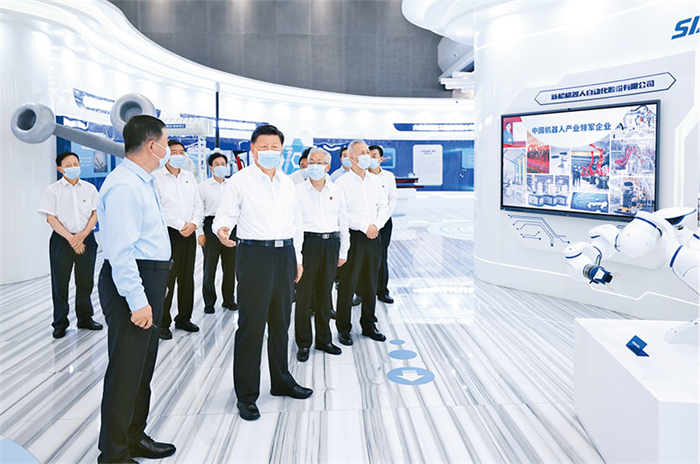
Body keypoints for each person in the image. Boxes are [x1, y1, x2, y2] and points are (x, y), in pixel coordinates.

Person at [213, 124, 312, 422]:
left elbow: (297, 222)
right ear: (253, 149)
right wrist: (222, 229)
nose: (270, 152)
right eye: (264, 146)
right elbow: (226, 213)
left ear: (282, 151)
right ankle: (246, 395)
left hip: (285, 254)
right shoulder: (240, 181)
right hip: (254, 255)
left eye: (275, 147)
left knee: (281, 323)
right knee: (252, 326)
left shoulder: (287, 183)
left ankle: (281, 381)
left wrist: (297, 258)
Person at [96, 115, 176, 463]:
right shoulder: (125, 186)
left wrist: (157, 286)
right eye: (166, 143)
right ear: (152, 145)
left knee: (141, 370)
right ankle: (113, 454)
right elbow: (121, 252)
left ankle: (134, 436)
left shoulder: (142, 181)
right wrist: (138, 300)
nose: (168, 149)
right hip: (130, 282)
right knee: (126, 372)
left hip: (148, 279)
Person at [38, 151, 102, 339]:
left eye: (76, 163)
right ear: (60, 169)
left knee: (85, 281)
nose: (73, 167)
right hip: (62, 240)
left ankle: (85, 318)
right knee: (60, 283)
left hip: (86, 238)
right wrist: (71, 239)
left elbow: (95, 214)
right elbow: (50, 218)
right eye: (68, 165)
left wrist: (81, 236)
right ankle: (60, 323)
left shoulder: (89, 188)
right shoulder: (53, 190)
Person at [294, 147, 349, 361]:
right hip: (307, 244)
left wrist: (343, 251)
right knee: (304, 295)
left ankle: (324, 340)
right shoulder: (297, 191)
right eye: (311, 162)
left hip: (331, 244)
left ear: (328, 167)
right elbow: (294, 226)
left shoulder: (337, 190)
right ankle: (303, 343)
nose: (315, 166)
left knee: (325, 295)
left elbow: (343, 222)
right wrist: (297, 256)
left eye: (320, 162)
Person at [334, 140, 389, 346]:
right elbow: (342, 213)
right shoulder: (342, 183)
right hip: (353, 237)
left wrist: (375, 225)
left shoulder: (375, 181)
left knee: (370, 283)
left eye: (368, 152)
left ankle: (369, 324)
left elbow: (384, 207)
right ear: (352, 157)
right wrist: (365, 226)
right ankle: (343, 328)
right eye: (362, 152)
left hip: (374, 236)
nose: (367, 155)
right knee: (347, 284)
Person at [153, 139, 203, 340]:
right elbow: (159, 208)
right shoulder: (156, 178)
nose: (179, 155)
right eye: (174, 152)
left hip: (189, 232)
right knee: (168, 278)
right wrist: (181, 224)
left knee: (187, 278)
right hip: (169, 233)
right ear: (165, 154)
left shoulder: (189, 177)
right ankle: (163, 323)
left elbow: (198, 204)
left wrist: (194, 224)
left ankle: (183, 318)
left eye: (182, 152)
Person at [199, 152, 237, 314]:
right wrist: (200, 232)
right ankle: (209, 302)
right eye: (217, 164)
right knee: (210, 266)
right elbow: (199, 210)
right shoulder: (203, 187)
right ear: (211, 168)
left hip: (230, 227)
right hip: (210, 226)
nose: (221, 167)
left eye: (223, 164)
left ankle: (229, 299)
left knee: (230, 266)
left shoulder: (232, 185)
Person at [368, 145, 397, 304]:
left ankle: (382, 291)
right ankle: (363, 291)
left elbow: (392, 199)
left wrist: (382, 220)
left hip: (384, 223)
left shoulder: (388, 176)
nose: (371, 159)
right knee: (365, 258)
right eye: (368, 155)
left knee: (382, 256)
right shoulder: (362, 175)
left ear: (381, 159)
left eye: (374, 156)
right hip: (366, 223)